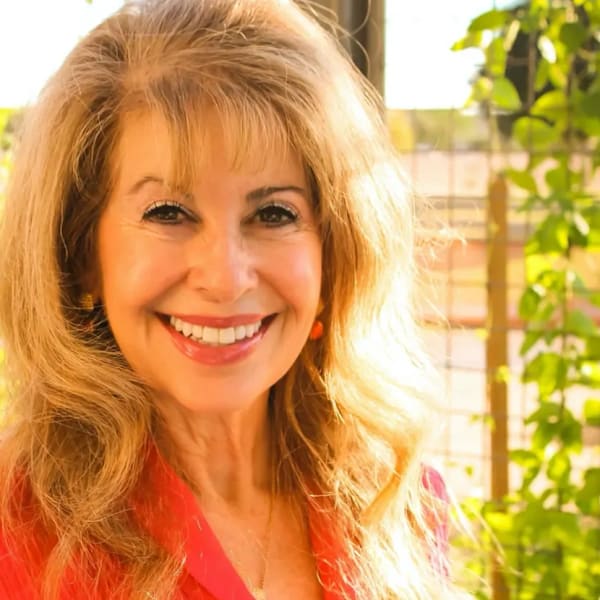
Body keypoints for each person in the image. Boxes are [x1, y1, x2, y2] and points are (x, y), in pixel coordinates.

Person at [0, 0, 460, 598]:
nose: (225, 277)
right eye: (168, 212)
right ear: (82, 253)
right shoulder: (16, 526)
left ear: (337, 251)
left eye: (274, 213)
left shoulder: (398, 504)